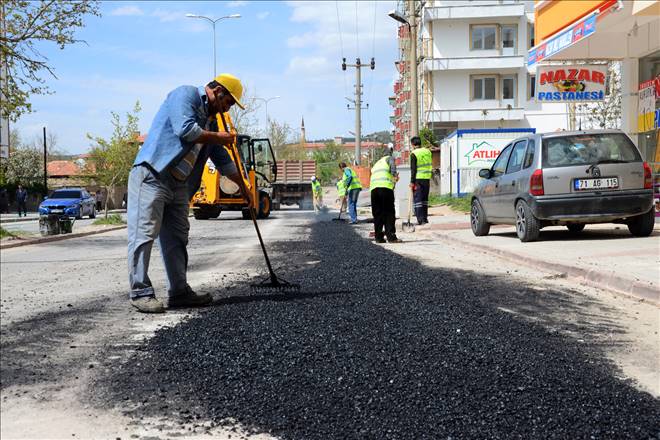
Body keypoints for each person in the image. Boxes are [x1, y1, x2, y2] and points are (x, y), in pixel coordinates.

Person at [127, 73, 255, 313]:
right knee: (144, 233)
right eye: (228, 103)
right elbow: (186, 130)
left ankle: (179, 292)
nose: (227, 109)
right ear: (218, 92)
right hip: (152, 174)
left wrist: (245, 188)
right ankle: (140, 292)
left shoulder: (213, 121)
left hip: (178, 184)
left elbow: (222, 159)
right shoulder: (185, 94)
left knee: (177, 237)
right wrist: (220, 137)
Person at [370, 153, 401, 243]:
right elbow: (393, 169)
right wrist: (395, 177)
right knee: (389, 212)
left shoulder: (377, 164)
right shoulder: (389, 158)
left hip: (374, 189)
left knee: (378, 214)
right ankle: (391, 237)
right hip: (385, 188)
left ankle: (379, 238)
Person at [409, 136, 432, 225]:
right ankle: (425, 218)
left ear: (413, 144)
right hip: (427, 178)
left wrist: (412, 182)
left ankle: (420, 220)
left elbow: (413, 169)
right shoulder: (428, 151)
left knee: (418, 199)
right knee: (424, 199)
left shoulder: (414, 153)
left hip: (418, 179)